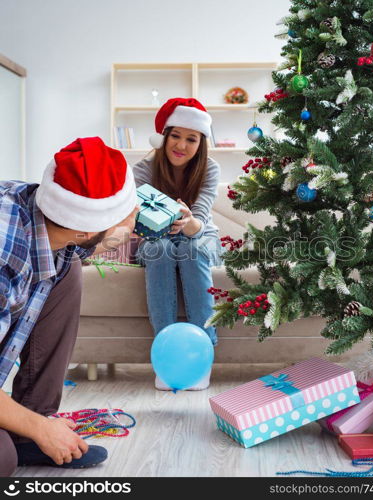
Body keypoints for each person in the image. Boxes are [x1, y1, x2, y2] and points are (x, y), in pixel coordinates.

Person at [0, 137, 138, 476]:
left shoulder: (39, 213)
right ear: (87, 228)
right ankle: (28, 429)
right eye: (127, 212)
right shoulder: (5, 257)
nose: (134, 215)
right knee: (2, 460)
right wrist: (40, 429)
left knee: (66, 268)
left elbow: (76, 244)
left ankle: (26, 427)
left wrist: (111, 235)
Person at [133, 97, 221, 391]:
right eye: (175, 136)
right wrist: (161, 225)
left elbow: (201, 221)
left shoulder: (210, 169)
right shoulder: (142, 170)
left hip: (200, 233)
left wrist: (187, 220)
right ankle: (167, 353)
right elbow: (139, 222)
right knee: (161, 250)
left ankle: (203, 354)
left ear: (201, 143)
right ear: (164, 136)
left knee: (192, 249)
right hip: (155, 237)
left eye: (191, 139)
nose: (181, 145)